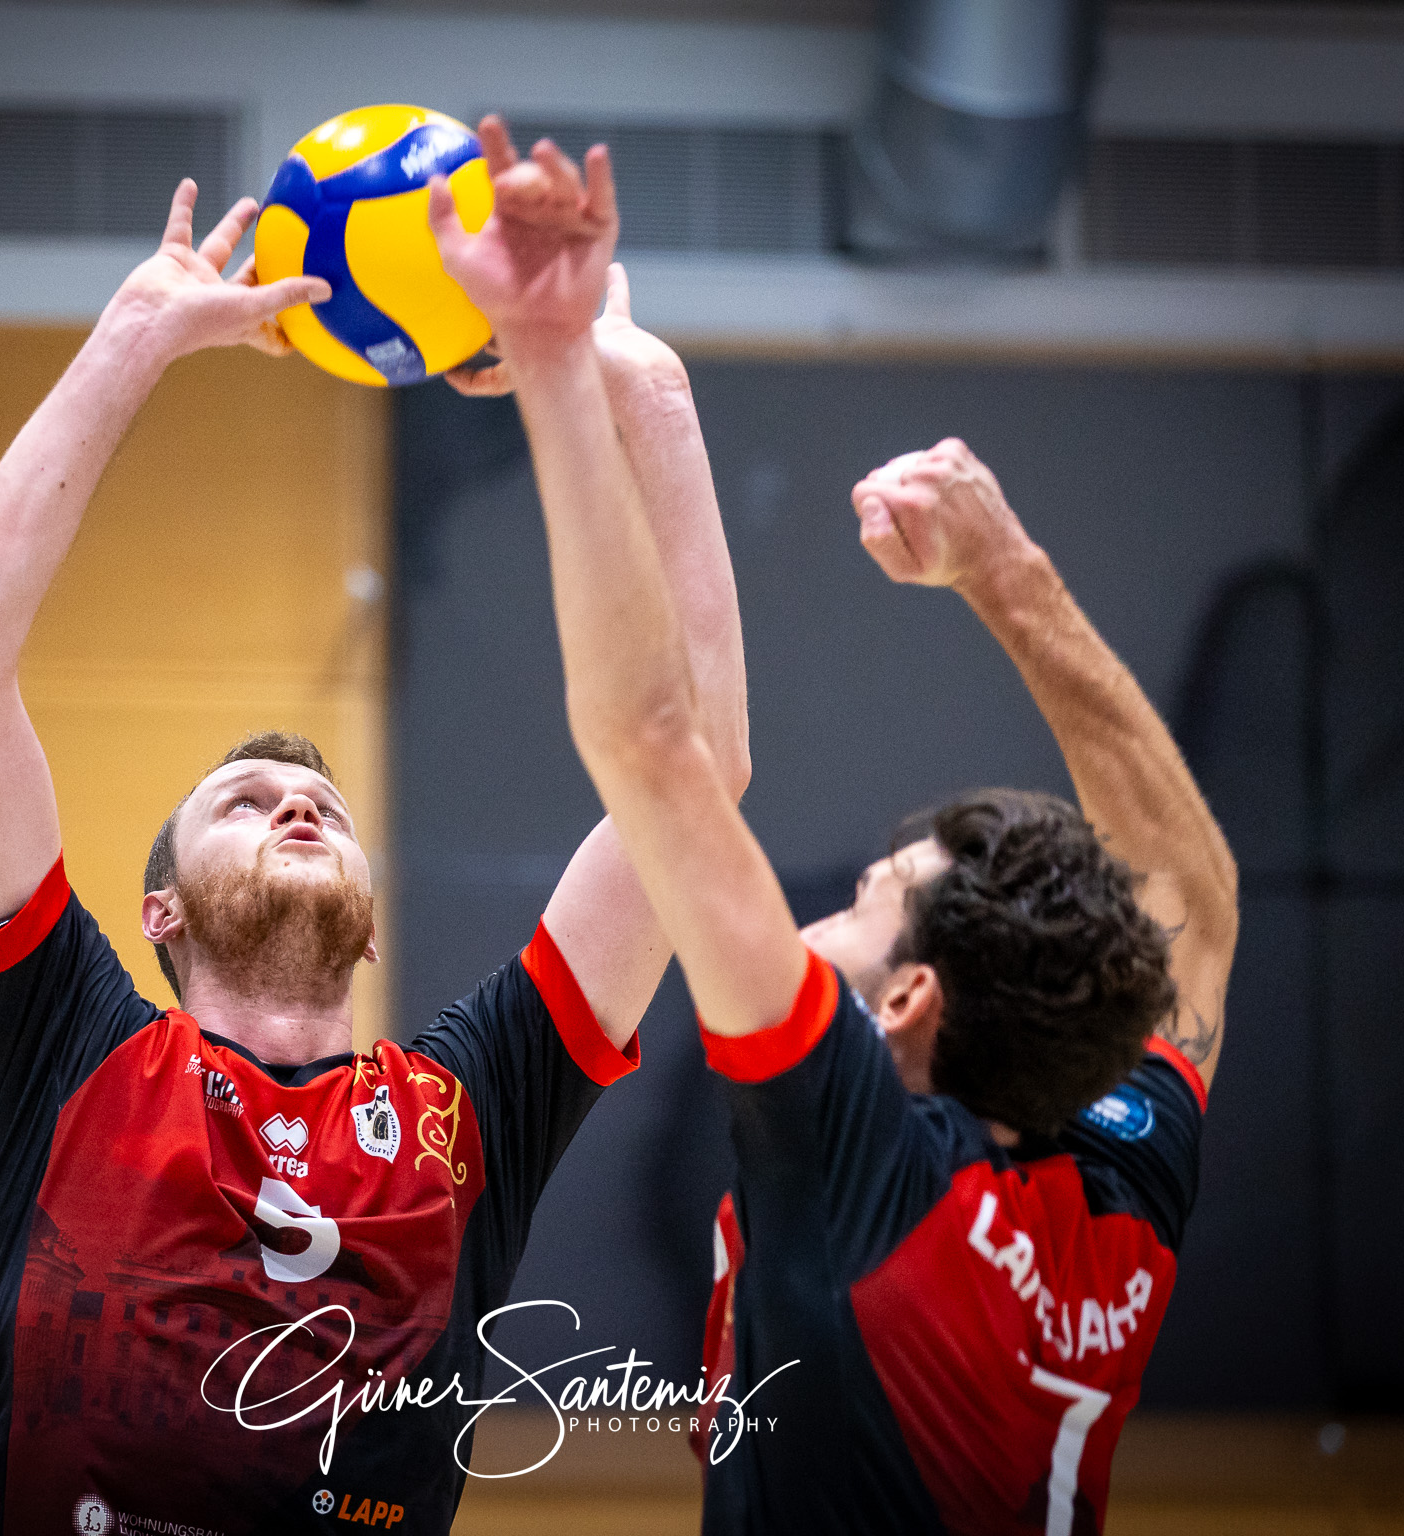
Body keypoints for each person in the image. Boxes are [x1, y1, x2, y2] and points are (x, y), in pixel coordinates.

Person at [0, 157, 748, 1535]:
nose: (299, 807)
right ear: (161, 912)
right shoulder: (66, 1050)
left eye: (324, 810)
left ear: (366, 915)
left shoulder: (473, 1107)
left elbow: (695, 777)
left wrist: (636, 385)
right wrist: (137, 335)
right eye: (245, 803)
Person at [433, 150, 1237, 1533]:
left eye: (869, 896)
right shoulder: (1115, 1174)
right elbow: (1192, 907)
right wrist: (1007, 577)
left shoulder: (860, 1155)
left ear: (907, 1000)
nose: (825, 911)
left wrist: (564, 363)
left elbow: (656, 748)